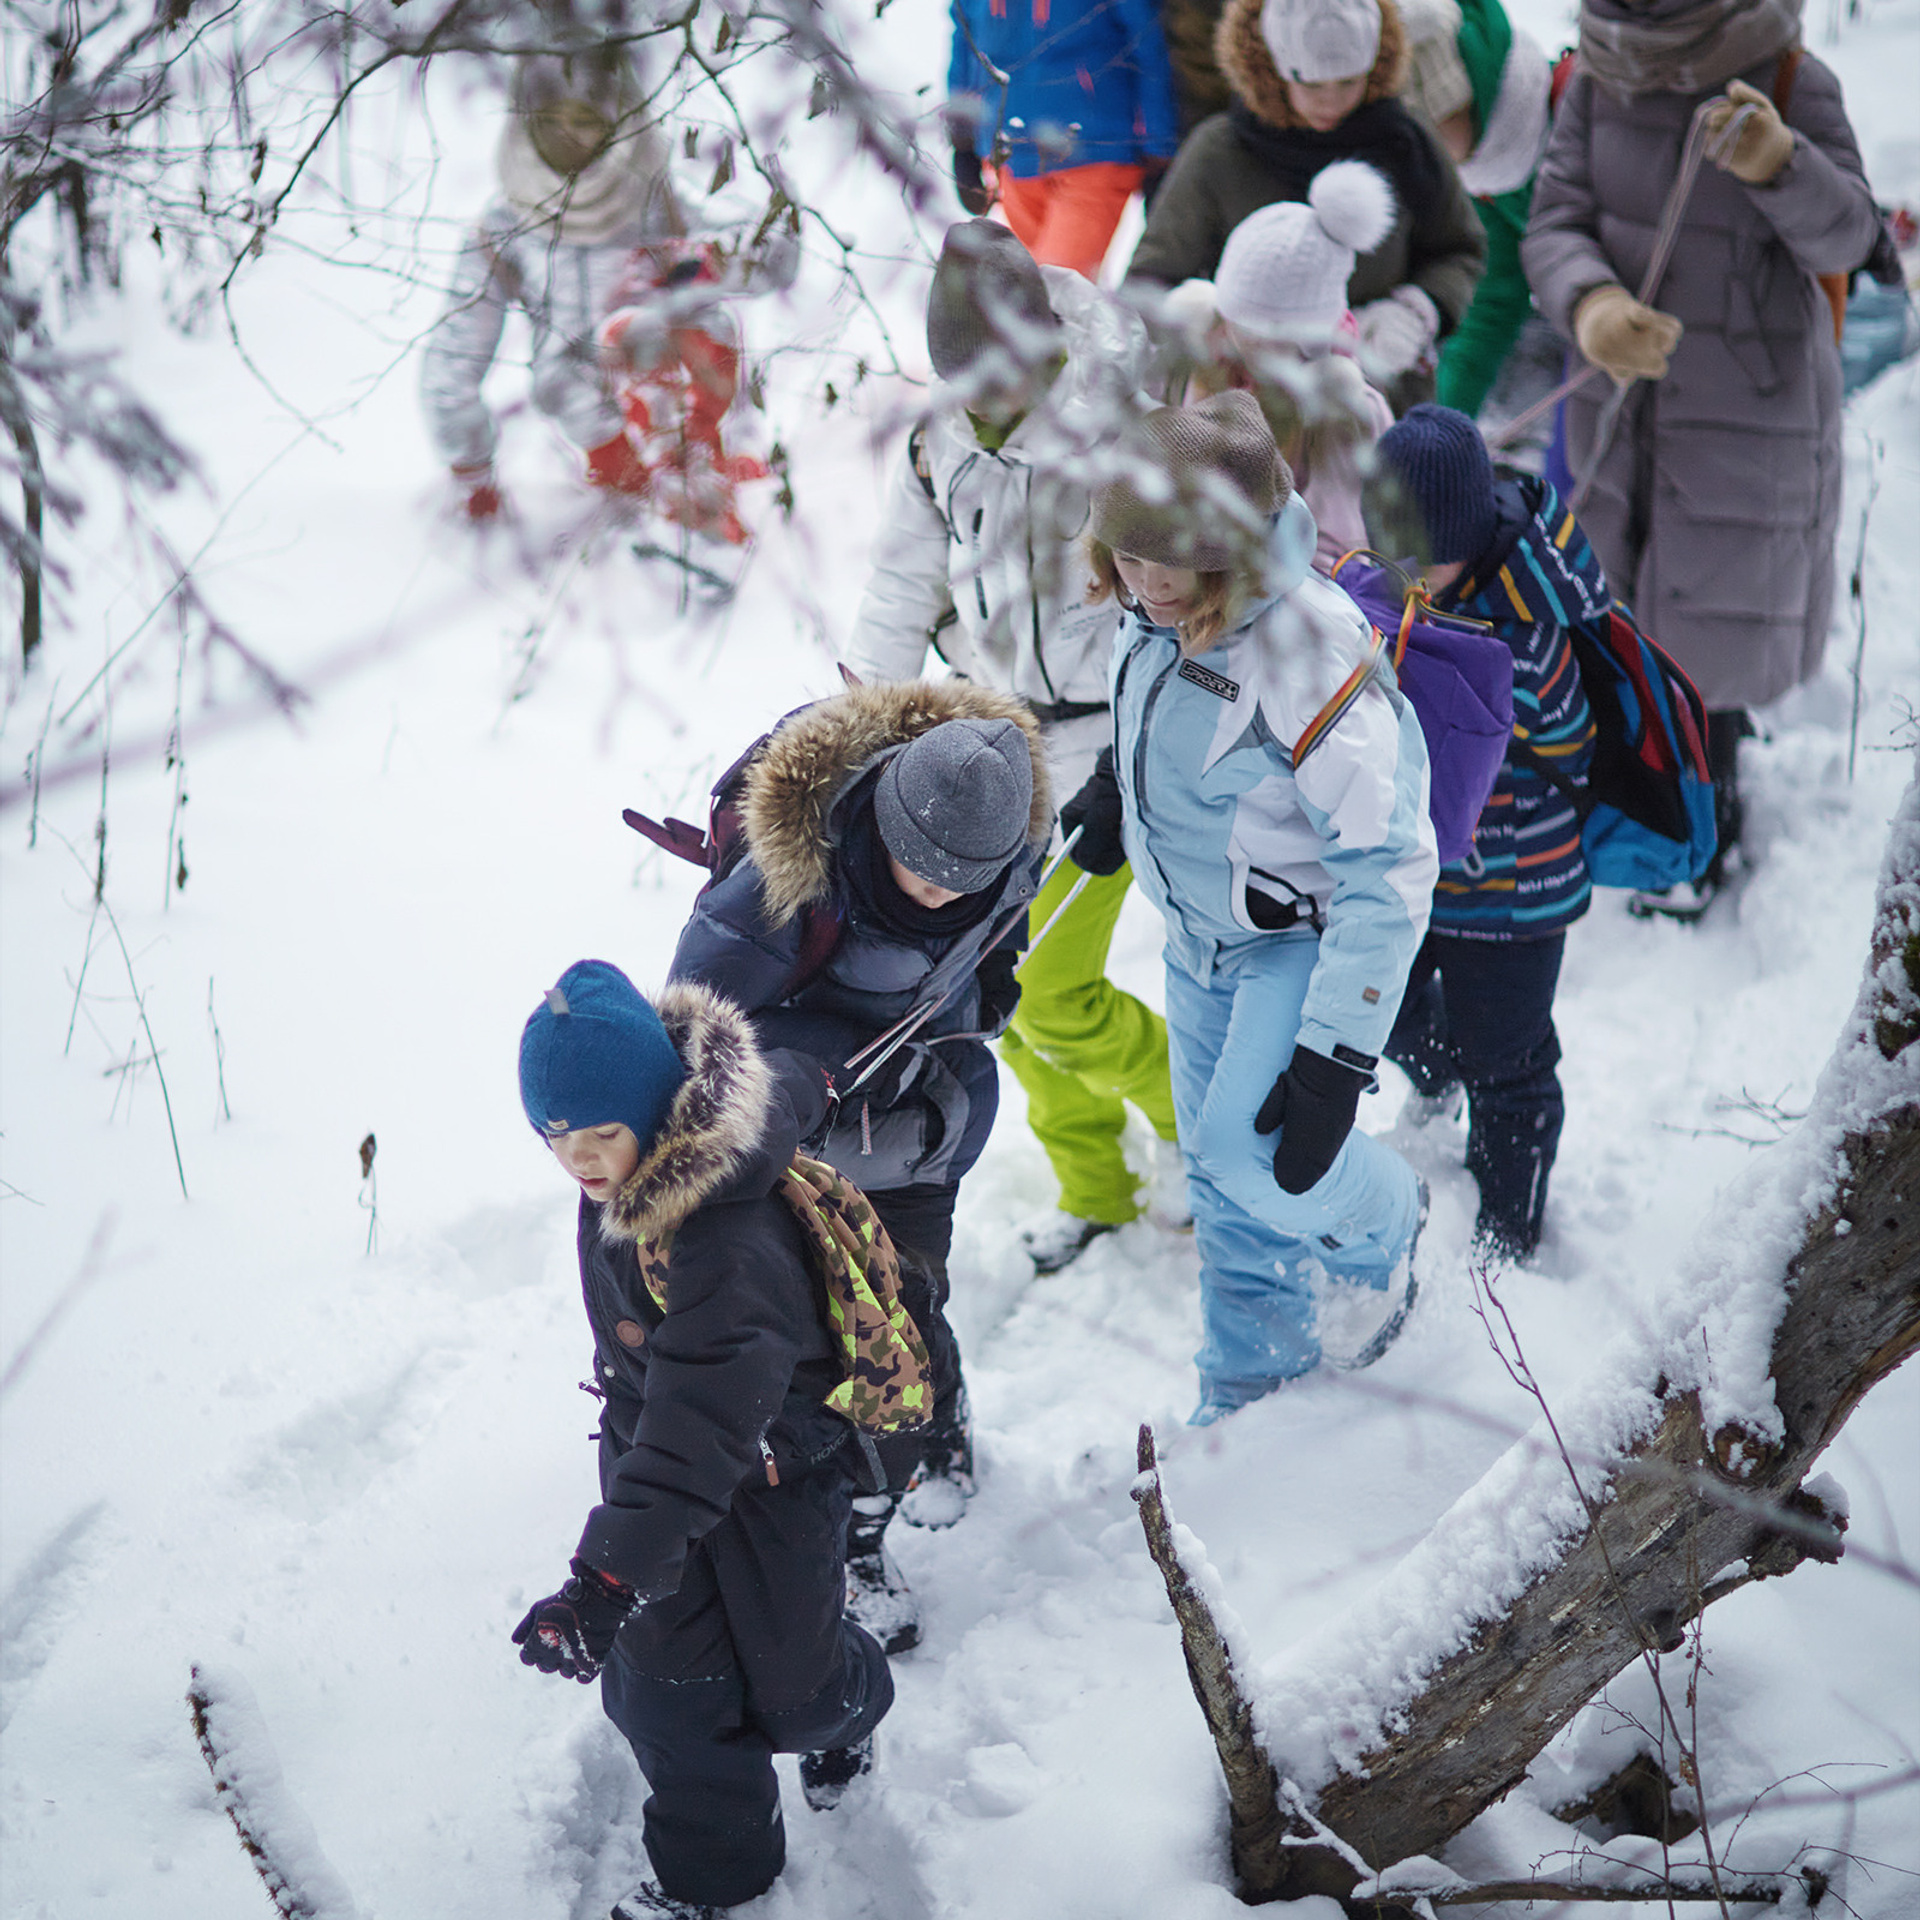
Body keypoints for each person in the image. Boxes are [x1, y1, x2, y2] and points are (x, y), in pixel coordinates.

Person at [1069, 391, 1437, 1420]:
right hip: (1198, 941)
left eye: (1170, 565)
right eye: (1127, 558)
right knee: (1219, 1174)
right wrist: (1115, 789)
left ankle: (1389, 1231)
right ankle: (1250, 1380)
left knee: (1255, 1152)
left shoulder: (1305, 648)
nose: (1146, 585)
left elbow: (1391, 861)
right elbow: (1169, 720)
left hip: (1295, 943)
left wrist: (1335, 1056)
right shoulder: (1154, 612)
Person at [512, 961, 894, 1920]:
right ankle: (713, 1881)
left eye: (601, 1133)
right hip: (659, 1460)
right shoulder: (641, 1169)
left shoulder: (726, 1235)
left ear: (654, 1104)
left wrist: (604, 1581)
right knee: (668, 1691)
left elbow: (705, 1419)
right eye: (557, 1138)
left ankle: (855, 1704)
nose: (580, 1161)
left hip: (770, 1472)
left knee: (799, 1694)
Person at [669, 692, 1050, 1648]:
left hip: (925, 1124)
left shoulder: (1009, 855)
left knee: (908, 1307)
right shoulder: (777, 891)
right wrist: (818, 1064)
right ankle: (853, 1541)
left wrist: (987, 993)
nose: (939, 895)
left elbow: (999, 940)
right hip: (799, 1144)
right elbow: (693, 1038)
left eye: (963, 882)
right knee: (831, 1343)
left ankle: (931, 1433)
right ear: (884, 820)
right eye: (922, 872)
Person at [846, 217, 1183, 1277]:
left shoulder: (1117, 440)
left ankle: (1196, 1127)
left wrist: (1132, 759)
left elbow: (1180, 608)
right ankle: (1097, 1186)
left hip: (1105, 751)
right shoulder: (938, 443)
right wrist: (858, 729)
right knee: (993, 999)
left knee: (1058, 992)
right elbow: (902, 583)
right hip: (992, 751)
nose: (985, 406)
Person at [1521, 0, 1881, 910]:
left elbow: (1852, 237)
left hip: (1744, 413)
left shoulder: (1792, 77)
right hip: (1619, 405)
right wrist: (1591, 306)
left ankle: (1700, 838)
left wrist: (1782, 165)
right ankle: (1634, 819)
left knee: (1711, 648)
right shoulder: (1599, 77)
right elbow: (1553, 224)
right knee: (1618, 627)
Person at [1364, 404, 1600, 1260]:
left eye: (1426, 561)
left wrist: (1469, 712)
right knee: (1380, 1009)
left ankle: (1507, 1235)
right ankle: (1442, 1070)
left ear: (1467, 539)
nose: (1411, 578)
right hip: (1421, 868)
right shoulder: (1401, 600)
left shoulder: (1524, 633)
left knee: (1508, 1061)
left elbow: (1568, 742)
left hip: (1513, 886)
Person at [419, 52, 786, 539]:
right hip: (585, 426)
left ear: (616, 121)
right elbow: (454, 356)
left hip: (685, 399)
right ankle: (647, 508)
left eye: (585, 121)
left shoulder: (659, 200)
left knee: (674, 324)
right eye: (552, 121)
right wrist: (471, 470)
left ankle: (701, 482)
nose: (569, 135)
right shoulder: (504, 227)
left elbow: (761, 258)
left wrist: (734, 251)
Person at [1127, 0, 1486, 411]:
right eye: (1311, 84)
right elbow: (1151, 279)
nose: (1330, 101)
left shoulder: (1407, 144)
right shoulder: (1220, 151)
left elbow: (1459, 248)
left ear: (1375, 65)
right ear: (1271, 68)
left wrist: (1416, 312)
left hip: (1379, 401)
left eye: (1348, 81)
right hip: (1242, 409)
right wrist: (1211, 330)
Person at [1182, 160, 1399, 573]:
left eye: (1264, 334)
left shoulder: (1341, 410)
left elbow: (1337, 548)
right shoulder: (1211, 356)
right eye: (1238, 322)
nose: (1244, 339)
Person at [1394, 0, 1558, 419]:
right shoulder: (1488, 180)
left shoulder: (1575, 114)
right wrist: (1437, 425)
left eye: (1431, 124)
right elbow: (1491, 305)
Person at [946, 0, 1182, 278]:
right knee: (1032, 286)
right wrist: (963, 140)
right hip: (1008, 154)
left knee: (1056, 289)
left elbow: (1148, 45)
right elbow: (964, 41)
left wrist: (1159, 144)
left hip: (1093, 150)